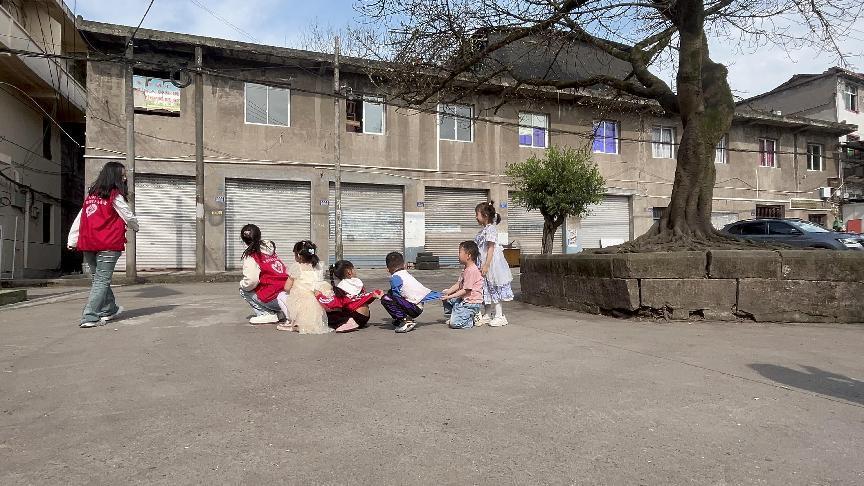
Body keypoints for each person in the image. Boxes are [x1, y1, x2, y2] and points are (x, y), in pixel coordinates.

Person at [67, 161, 139, 328]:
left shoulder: (91, 197)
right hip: (108, 244)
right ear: (114, 176)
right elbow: (128, 215)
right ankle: (89, 316)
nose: (125, 178)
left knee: (98, 280)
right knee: (101, 281)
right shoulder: (115, 196)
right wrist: (136, 226)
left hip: (88, 244)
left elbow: (80, 219)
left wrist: (72, 240)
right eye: (122, 175)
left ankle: (109, 309)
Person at [237, 224, 289, 324]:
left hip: (275, 297)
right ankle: (280, 312)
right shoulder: (270, 250)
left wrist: (242, 283)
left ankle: (265, 314)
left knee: (244, 290)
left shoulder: (252, 255)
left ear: (243, 240)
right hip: (287, 293)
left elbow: (251, 281)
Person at [276, 240, 331, 334]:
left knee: (281, 295)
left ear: (299, 256)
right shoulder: (318, 266)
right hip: (318, 298)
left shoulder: (297, 266)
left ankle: (292, 321)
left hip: (302, 299)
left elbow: (287, 287)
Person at [380, 251, 442, 333]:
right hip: (417, 306)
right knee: (390, 293)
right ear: (404, 265)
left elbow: (396, 297)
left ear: (388, 269)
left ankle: (405, 320)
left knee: (386, 298)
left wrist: (381, 296)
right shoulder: (406, 274)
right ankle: (401, 319)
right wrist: (442, 294)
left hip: (413, 308)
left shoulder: (394, 278)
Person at [474, 201, 514, 327]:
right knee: (485, 288)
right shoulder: (484, 230)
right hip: (483, 262)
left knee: (493, 287)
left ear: (485, 215)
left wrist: (487, 264)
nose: (476, 217)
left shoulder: (491, 229)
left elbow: (491, 248)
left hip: (491, 263)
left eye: (477, 214)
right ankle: (487, 313)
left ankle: (499, 315)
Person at [315, 260, 383, 333]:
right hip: (366, 316)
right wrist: (373, 295)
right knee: (346, 307)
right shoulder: (358, 284)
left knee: (331, 315)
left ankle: (348, 322)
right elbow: (361, 299)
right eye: (354, 269)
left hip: (356, 317)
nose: (355, 271)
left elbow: (331, 303)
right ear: (349, 271)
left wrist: (319, 296)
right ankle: (353, 322)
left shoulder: (341, 288)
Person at [441, 241, 485, 329]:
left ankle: (472, 318)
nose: (458, 255)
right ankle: (457, 314)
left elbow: (466, 290)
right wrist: (448, 292)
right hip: (463, 299)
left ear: (468, 256)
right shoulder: (466, 269)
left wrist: (450, 296)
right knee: (445, 294)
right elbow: (459, 284)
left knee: (454, 324)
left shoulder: (471, 271)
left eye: (460, 252)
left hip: (470, 303)